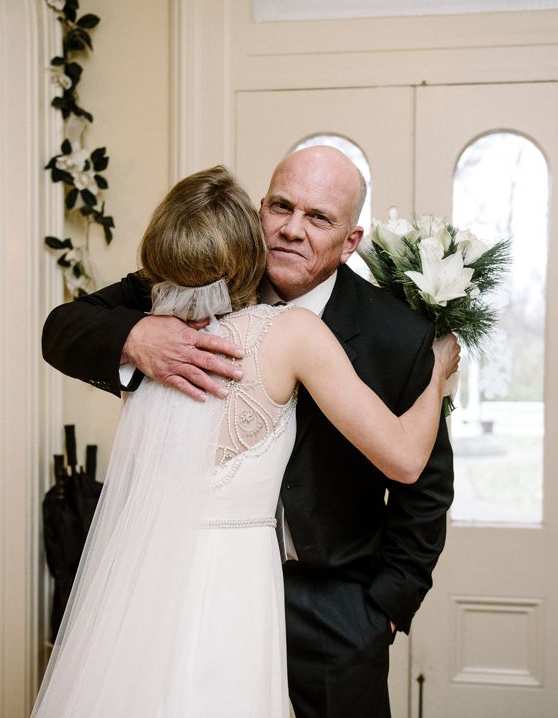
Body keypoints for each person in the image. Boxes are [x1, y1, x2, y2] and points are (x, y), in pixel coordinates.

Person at [40, 148, 458, 716]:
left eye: (318, 218)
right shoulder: (198, 275)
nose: (291, 229)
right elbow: (62, 327)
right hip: (191, 589)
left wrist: (384, 606)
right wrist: (138, 336)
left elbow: (424, 484)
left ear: (351, 240)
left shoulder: (397, 332)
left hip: (332, 608)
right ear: (258, 209)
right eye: (280, 207)